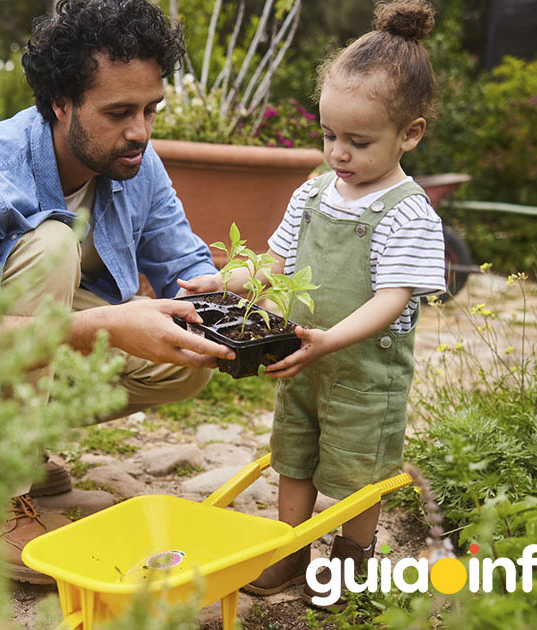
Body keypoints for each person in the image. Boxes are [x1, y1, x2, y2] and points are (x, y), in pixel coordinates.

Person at [0, 0, 233, 584]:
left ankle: (18, 443)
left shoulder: (135, 161)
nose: (140, 132)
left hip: (28, 338)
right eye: (119, 112)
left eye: (150, 109)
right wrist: (108, 327)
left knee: (186, 357)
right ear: (61, 103)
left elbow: (184, 268)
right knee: (52, 245)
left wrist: (236, 302)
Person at [179, 0, 447, 607]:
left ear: (410, 134)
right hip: (300, 357)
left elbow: (391, 299)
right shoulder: (312, 193)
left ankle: (352, 560)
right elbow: (275, 262)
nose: (338, 154)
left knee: (360, 472)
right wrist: (224, 279)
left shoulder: (408, 213)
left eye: (358, 141)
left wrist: (330, 340)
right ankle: (290, 547)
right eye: (328, 136)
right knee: (293, 455)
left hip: (364, 375)